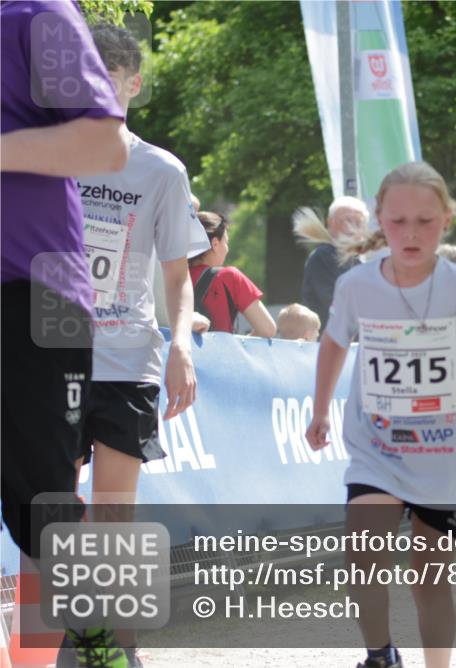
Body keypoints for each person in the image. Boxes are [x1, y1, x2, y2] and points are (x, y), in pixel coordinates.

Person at [304, 162, 456, 668]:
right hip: (376, 447)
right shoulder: (358, 285)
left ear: (446, 220)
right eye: (399, 221)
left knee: (430, 579)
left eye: (424, 222)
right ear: (379, 219)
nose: (411, 233)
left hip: (444, 455)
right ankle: (380, 655)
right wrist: (320, 411)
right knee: (362, 560)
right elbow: (334, 343)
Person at [72, 23, 210, 666]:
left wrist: (180, 342)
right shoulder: (45, 157)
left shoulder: (161, 170)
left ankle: (117, 648)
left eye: (111, 79)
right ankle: (72, 636)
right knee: (46, 502)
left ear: (134, 85)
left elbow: (179, 277)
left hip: (128, 355)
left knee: (113, 512)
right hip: (48, 355)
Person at [1, 2, 130, 665]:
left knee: (43, 512)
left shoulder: (35, 12)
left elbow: (102, 144)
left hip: (32, 291)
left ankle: (92, 647)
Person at [188, 211, 276, 337]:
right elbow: (267, 329)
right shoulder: (229, 277)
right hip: (219, 355)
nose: (227, 249)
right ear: (215, 244)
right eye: (226, 242)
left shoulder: (170, 277)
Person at [294, 196, 369, 331]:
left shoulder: (358, 262)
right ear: (330, 223)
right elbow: (341, 306)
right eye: (347, 220)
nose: (352, 227)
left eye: (358, 222)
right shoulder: (324, 256)